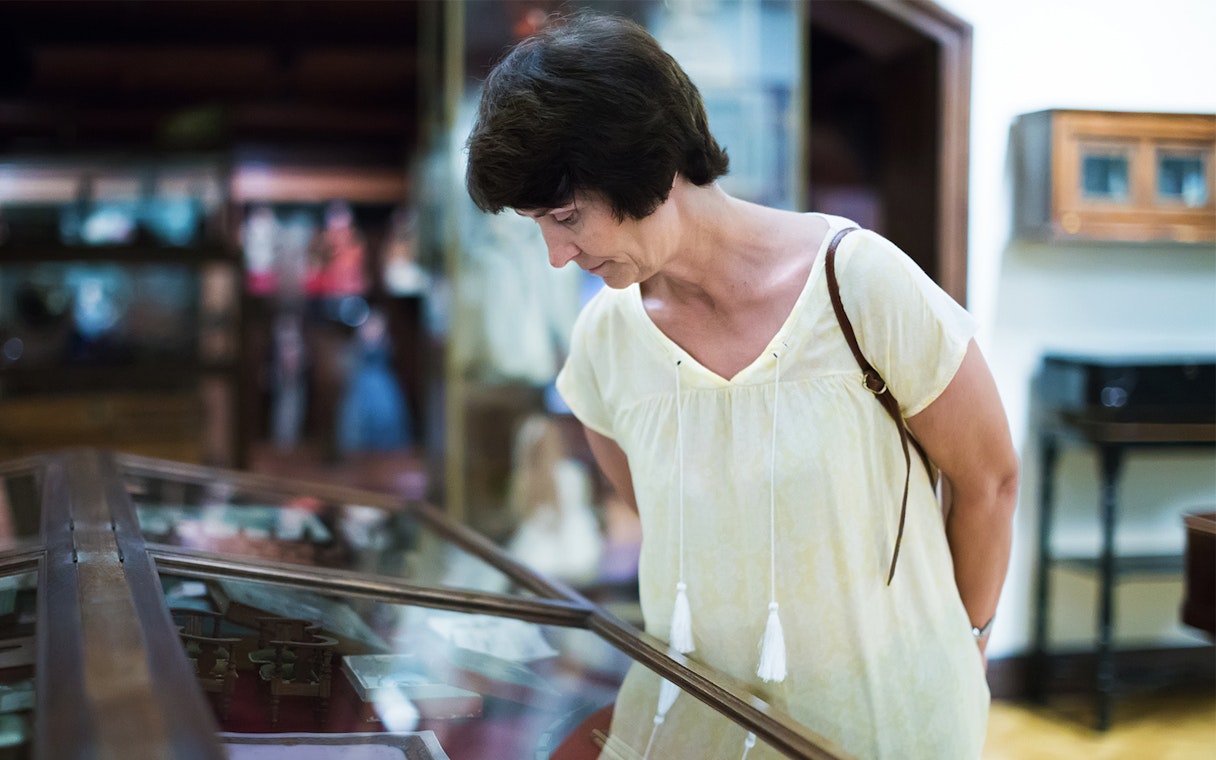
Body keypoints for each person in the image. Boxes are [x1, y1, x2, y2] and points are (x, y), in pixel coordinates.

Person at [465, 12, 1019, 760]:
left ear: (648, 165)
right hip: (703, 730)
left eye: (567, 217)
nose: (558, 256)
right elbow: (673, 520)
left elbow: (988, 480)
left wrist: (972, 642)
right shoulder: (605, 341)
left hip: (892, 725)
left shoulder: (857, 283)